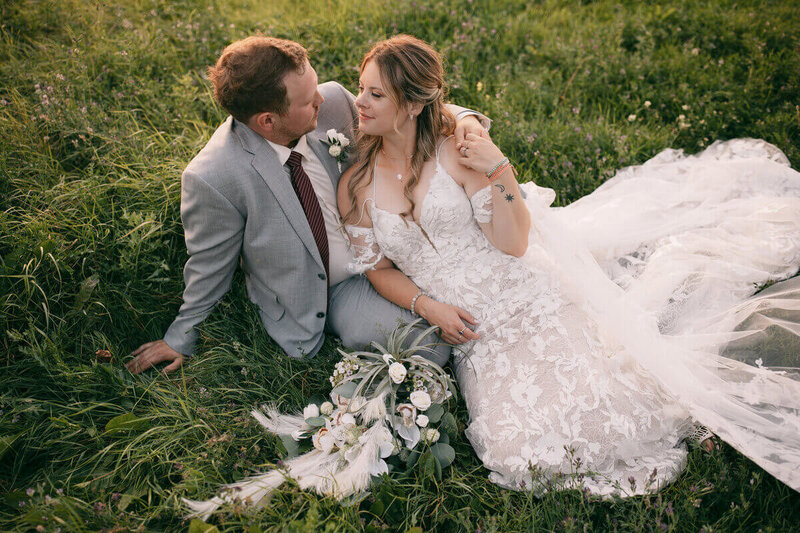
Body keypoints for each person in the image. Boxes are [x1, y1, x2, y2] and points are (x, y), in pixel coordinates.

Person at [338, 35, 800, 496]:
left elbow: (513, 242)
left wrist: (500, 169)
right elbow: (378, 270)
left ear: (414, 104)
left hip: (528, 293)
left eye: (375, 93)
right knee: (514, 448)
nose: (360, 102)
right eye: (362, 88)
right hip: (474, 330)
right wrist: (427, 306)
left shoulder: (457, 151)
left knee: (619, 408)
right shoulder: (356, 184)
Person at [126, 36, 490, 374]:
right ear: (268, 121)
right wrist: (180, 338)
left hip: (391, 243)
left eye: (315, 86)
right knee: (431, 346)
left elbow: (405, 110)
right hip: (336, 287)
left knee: (477, 299)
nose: (321, 98)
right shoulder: (216, 177)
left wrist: (465, 119)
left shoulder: (330, 102)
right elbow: (208, 264)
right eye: (307, 100)